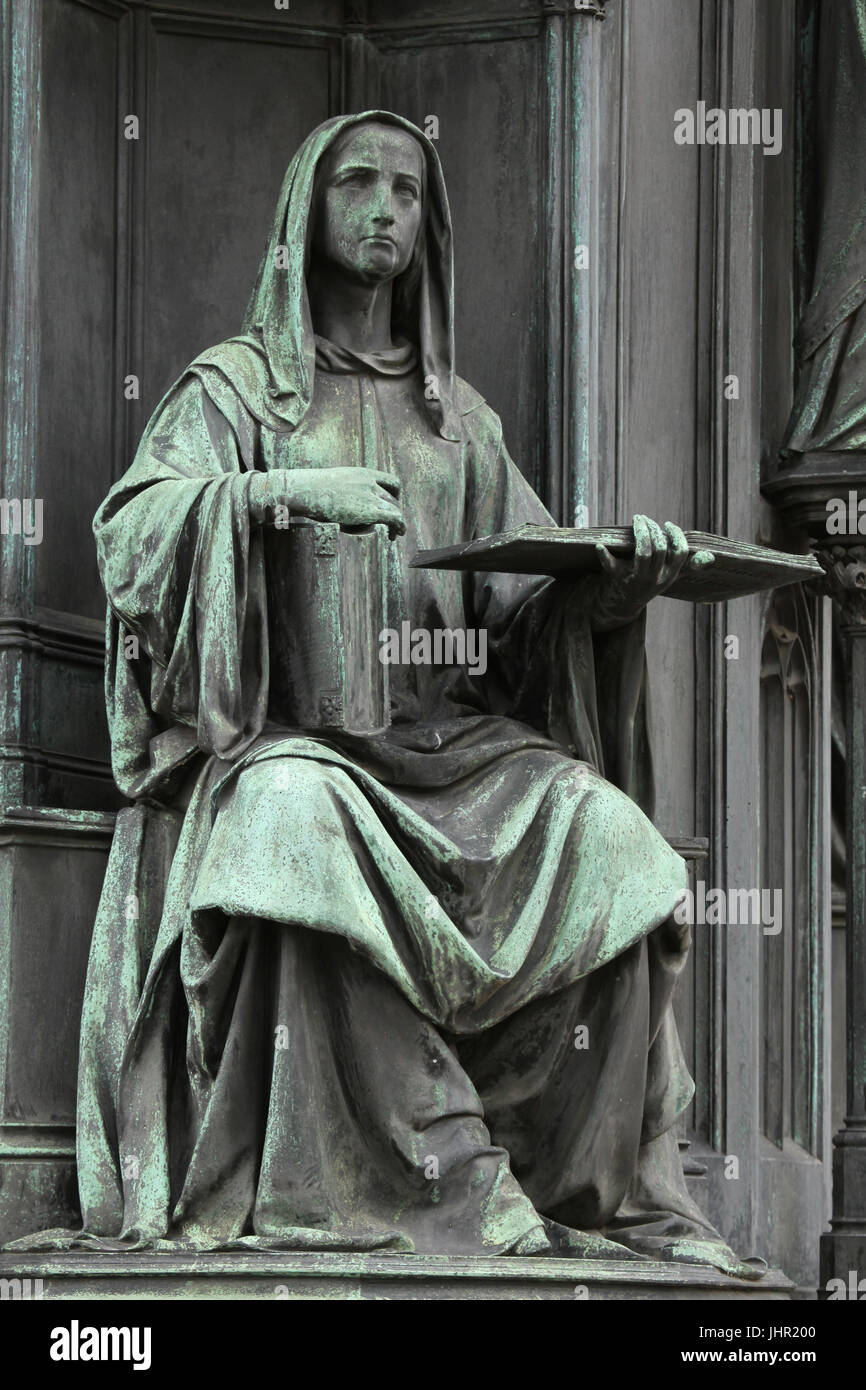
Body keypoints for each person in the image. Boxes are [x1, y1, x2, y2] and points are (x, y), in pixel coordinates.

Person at [19, 112, 760, 1275]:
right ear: (304, 211)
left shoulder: (457, 423)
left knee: (612, 840)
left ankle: (586, 1184)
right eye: (357, 185)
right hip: (283, 739)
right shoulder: (238, 390)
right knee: (288, 825)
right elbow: (132, 531)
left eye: (407, 193)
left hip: (443, 749)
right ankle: (413, 1181)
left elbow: (522, 618)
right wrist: (274, 492)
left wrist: (614, 591)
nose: (383, 210)